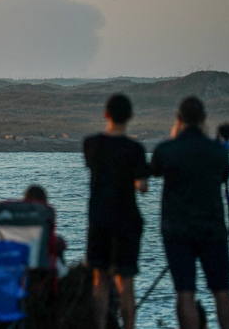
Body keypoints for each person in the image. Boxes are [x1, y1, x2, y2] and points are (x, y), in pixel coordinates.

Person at [151, 96, 229, 329]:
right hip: (213, 230)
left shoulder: (167, 150)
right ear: (204, 119)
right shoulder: (218, 152)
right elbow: (224, 176)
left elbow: (154, 170)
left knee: (184, 293)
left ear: (179, 118)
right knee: (222, 293)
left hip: (177, 232)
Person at [83, 93, 150, 329]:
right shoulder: (135, 149)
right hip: (127, 219)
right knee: (126, 281)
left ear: (106, 114)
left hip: (99, 217)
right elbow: (142, 186)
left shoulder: (91, 143)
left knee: (99, 281)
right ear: (131, 116)